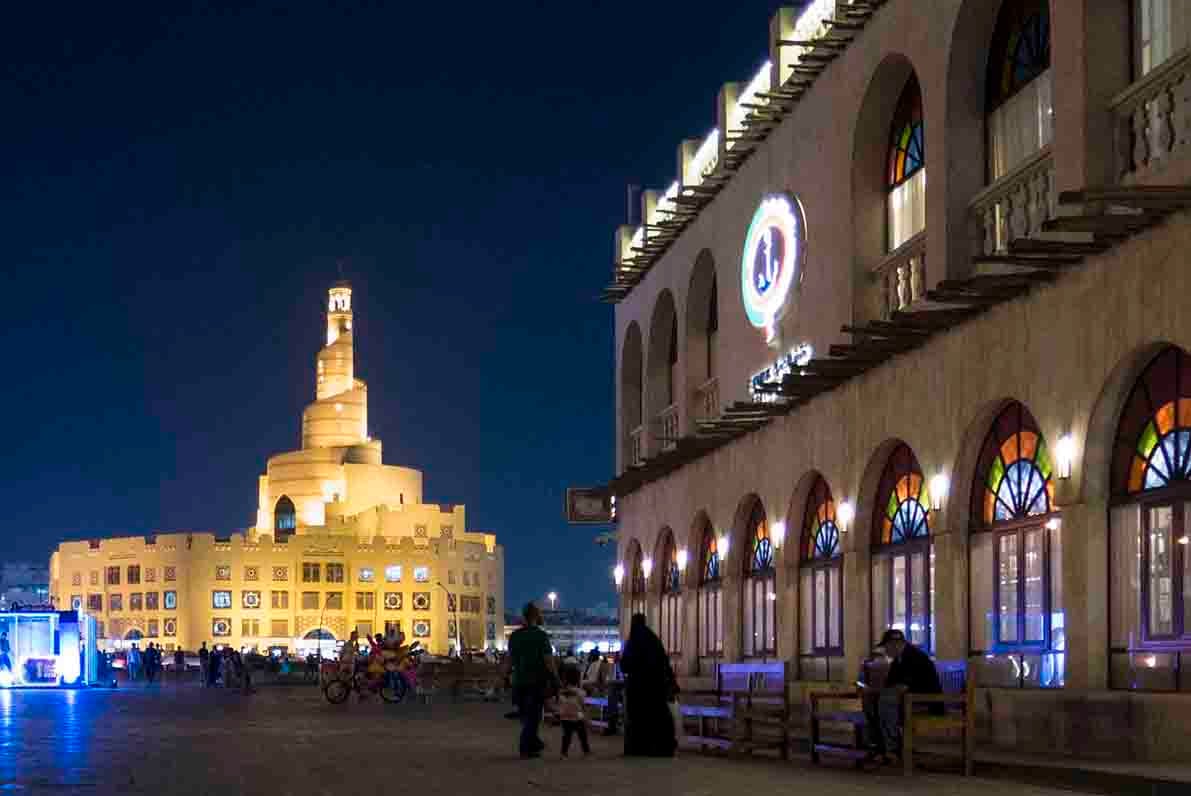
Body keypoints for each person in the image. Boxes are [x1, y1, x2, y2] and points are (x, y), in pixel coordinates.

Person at [863, 628, 942, 764]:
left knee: (886, 700)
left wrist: (880, 691)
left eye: (886, 647)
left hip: (926, 703)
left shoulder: (915, 657)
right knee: (870, 701)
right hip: (905, 701)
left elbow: (903, 687)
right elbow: (890, 685)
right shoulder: (897, 661)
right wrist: (872, 691)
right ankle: (879, 747)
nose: (885, 652)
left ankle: (892, 749)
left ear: (894, 644)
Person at [504, 602, 557, 759]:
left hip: (519, 681)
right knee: (533, 716)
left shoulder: (515, 636)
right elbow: (548, 660)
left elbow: (509, 660)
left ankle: (533, 743)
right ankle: (526, 747)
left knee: (525, 716)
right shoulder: (541, 636)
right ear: (536, 616)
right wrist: (555, 678)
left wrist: (505, 676)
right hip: (536, 681)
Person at [619, 613, 677, 757]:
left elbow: (625, 665)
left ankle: (639, 748)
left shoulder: (632, 642)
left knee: (638, 718)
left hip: (637, 687)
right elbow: (664, 662)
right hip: (656, 687)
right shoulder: (654, 640)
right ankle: (661, 748)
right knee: (657, 717)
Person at [557, 665, 591, 758]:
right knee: (582, 735)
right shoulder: (581, 692)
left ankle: (563, 753)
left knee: (566, 736)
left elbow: (560, 704)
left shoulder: (561, 692)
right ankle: (586, 751)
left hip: (565, 717)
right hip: (577, 717)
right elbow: (583, 706)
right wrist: (587, 717)